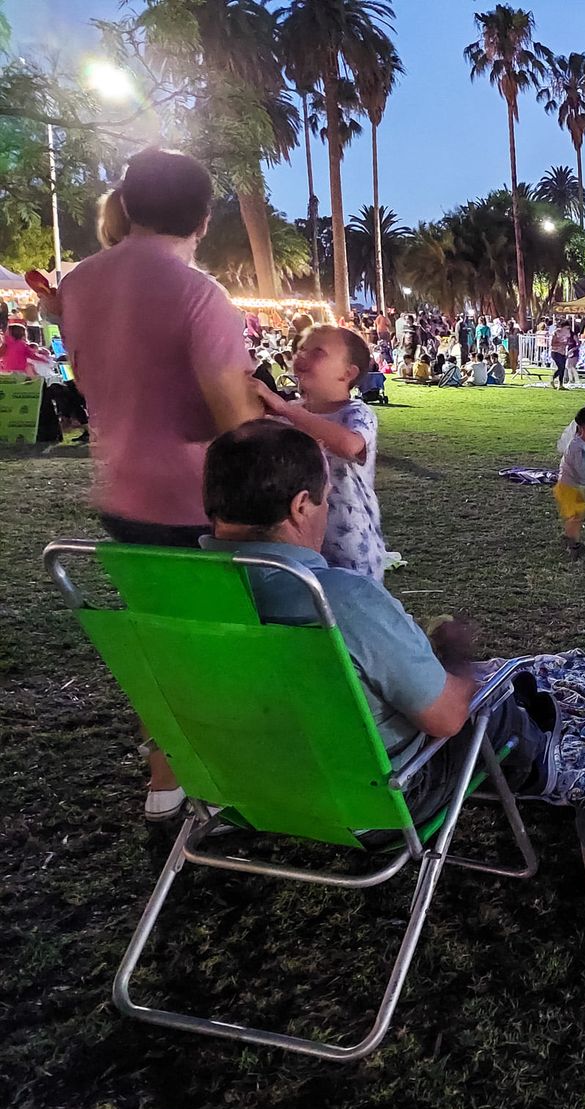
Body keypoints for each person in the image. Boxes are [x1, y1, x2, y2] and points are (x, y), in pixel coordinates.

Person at [57, 148, 263, 821]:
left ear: (130, 203)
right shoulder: (200, 295)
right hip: (192, 499)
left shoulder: (81, 282)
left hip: (119, 492)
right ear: (204, 220)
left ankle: (164, 777)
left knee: (159, 640)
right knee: (211, 650)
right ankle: (211, 781)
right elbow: (232, 425)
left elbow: (91, 386)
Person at [201, 421, 478, 820]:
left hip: (239, 794)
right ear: (299, 507)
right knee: (496, 711)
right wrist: (457, 661)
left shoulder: (170, 594)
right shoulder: (341, 600)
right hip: (371, 804)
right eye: (325, 499)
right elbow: (446, 718)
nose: (327, 510)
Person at [254, 325, 389, 583]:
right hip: (298, 540)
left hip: (351, 545)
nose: (302, 356)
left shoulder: (356, 413)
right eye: (301, 349)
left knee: (351, 613)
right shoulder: (288, 413)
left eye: (317, 352)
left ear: (347, 374)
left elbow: (350, 445)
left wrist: (286, 410)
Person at [555, 406, 585, 562]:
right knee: (576, 516)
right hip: (567, 487)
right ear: (581, 429)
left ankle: (571, 538)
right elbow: (582, 471)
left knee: (577, 514)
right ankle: (571, 542)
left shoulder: (584, 445)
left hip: (570, 487)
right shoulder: (576, 447)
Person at [549, 318, 573, 389]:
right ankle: (552, 379)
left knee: (562, 368)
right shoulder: (556, 332)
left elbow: (568, 341)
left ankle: (560, 384)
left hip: (563, 352)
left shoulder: (568, 334)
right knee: (561, 367)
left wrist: (569, 344)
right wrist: (561, 343)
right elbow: (552, 343)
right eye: (567, 327)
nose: (569, 329)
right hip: (555, 352)